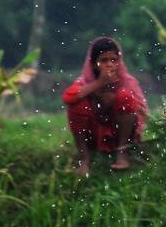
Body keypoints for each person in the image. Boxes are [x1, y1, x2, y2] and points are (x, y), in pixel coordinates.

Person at [62, 36, 149, 174]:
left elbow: (141, 111)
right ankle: (84, 159)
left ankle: (122, 153)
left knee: (125, 96)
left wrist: (115, 100)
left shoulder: (127, 81)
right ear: (93, 64)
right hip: (94, 136)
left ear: (119, 62)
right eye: (103, 60)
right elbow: (67, 97)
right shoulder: (87, 81)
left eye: (113, 60)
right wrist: (99, 84)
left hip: (120, 135)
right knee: (77, 104)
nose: (109, 64)